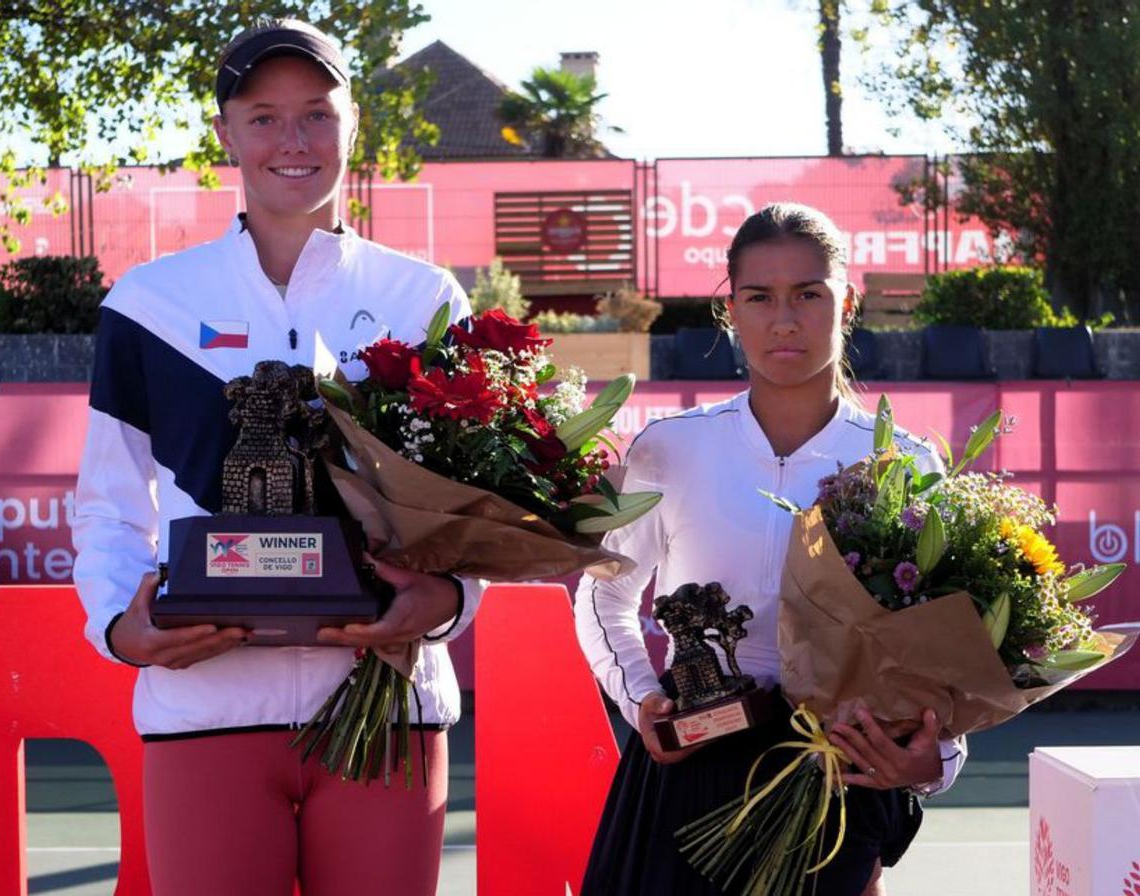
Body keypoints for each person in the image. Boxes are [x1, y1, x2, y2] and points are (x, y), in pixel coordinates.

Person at [72, 19, 480, 896]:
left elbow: (474, 508)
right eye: (263, 116)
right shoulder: (150, 303)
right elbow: (110, 505)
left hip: (386, 708)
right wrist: (120, 629)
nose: (293, 142)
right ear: (224, 132)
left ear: (354, 124)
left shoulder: (425, 298)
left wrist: (447, 601)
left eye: (317, 114)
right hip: (204, 707)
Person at [573, 202, 968, 896]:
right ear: (729, 309)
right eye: (759, 297)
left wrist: (935, 759)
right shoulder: (671, 447)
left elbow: (944, 649)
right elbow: (606, 588)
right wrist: (640, 695)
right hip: (687, 769)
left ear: (849, 301)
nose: (784, 320)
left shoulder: (904, 465)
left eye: (809, 294)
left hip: (834, 776)